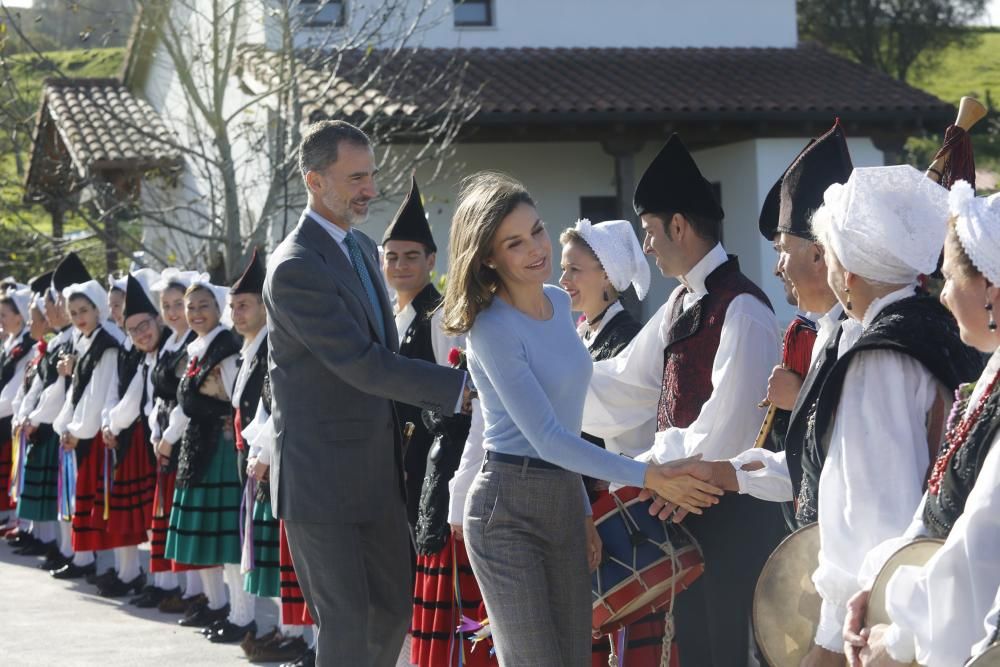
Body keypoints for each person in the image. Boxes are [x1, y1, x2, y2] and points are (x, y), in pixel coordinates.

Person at [441, 170, 723, 665]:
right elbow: (548, 439)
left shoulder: (555, 300)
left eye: (537, 230)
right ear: (488, 257)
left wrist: (583, 510)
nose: (536, 248)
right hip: (506, 508)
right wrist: (648, 475)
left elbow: (569, 423)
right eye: (514, 243)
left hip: (564, 504)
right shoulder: (489, 329)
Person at [263, 120, 469, 667]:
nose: (370, 190)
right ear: (314, 180)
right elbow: (362, 362)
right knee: (347, 623)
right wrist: (461, 389)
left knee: (394, 613)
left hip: (376, 475)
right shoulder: (294, 267)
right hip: (320, 480)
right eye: (355, 177)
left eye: (371, 175)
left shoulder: (359, 248)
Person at [582, 134, 787, 667]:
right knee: (694, 650)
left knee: (727, 652)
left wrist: (661, 473)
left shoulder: (742, 307)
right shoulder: (679, 303)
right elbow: (625, 383)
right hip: (687, 510)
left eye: (650, 232)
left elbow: (733, 427)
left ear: (678, 226)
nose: (647, 246)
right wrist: (547, 380)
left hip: (734, 517)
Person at [796, 165, 982, 665]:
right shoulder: (935, 326)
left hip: (886, 617)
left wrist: (835, 637)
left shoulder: (880, 356)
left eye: (828, 254)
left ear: (848, 270)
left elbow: (874, 510)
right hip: (935, 597)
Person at [840, 184, 1000, 667]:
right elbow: (937, 505)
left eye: (951, 277)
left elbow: (981, 546)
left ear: (992, 291)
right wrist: (876, 581)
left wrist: (903, 635)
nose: (944, 294)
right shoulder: (991, 374)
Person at [692, 122, 853, 532]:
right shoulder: (823, 333)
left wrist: (801, 400)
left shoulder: (864, 336)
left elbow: (854, 458)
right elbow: (800, 466)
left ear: (819, 255)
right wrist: (717, 472)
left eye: (783, 251)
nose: (778, 267)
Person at [559, 218, 669, 666]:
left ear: (606, 274)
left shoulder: (627, 340)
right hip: (583, 510)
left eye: (573, 270)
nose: (562, 281)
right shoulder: (581, 335)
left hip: (615, 519)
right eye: (563, 270)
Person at [163, 279, 242, 630]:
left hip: (221, 446)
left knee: (226, 539)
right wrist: (167, 438)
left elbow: (237, 396)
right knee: (206, 536)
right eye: (189, 306)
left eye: (203, 305)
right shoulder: (198, 348)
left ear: (219, 307)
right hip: (198, 446)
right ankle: (216, 604)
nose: (194, 313)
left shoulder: (226, 346)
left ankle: (243, 615)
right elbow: (187, 402)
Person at [50, 279, 126, 580]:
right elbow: (77, 392)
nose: (79, 316)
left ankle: (93, 561)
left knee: (91, 499)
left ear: (97, 310)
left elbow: (97, 396)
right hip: (80, 431)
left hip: (93, 433)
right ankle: (81, 556)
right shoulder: (85, 341)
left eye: (84, 309)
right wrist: (65, 425)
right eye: (74, 311)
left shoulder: (106, 344)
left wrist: (76, 429)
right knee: (79, 497)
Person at [96, 270, 163, 598]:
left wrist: (116, 423)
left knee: (150, 514)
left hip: (139, 435)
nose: (116, 312)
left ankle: (161, 582)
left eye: (119, 304)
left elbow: (136, 397)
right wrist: (107, 422)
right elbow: (114, 391)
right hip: (123, 434)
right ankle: (129, 573)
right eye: (113, 307)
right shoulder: (127, 345)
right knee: (126, 512)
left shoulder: (145, 350)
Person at [144, 269, 203, 612]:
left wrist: (167, 437)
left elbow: (186, 401)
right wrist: (155, 431)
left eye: (178, 304)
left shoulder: (193, 346)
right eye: (165, 305)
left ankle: (195, 590)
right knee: (169, 517)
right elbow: (159, 398)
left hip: (182, 439)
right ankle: (181, 586)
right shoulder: (169, 342)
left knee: (184, 517)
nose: (172, 312)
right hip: (164, 437)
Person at [10, 272, 62, 565]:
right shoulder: (41, 352)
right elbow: (29, 388)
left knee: (50, 489)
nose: (31, 325)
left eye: (35, 319)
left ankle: (51, 539)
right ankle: (38, 535)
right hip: (34, 423)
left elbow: (53, 389)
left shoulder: (51, 348)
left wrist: (34, 417)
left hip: (49, 426)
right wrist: (22, 414)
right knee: (37, 486)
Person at [1, 286, 37, 533]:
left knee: (13, 472)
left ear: (19, 316)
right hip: (6, 415)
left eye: (3, 314)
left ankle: (18, 520)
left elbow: (15, 389)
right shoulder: (11, 342)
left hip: (11, 415)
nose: (0, 320)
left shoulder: (27, 345)